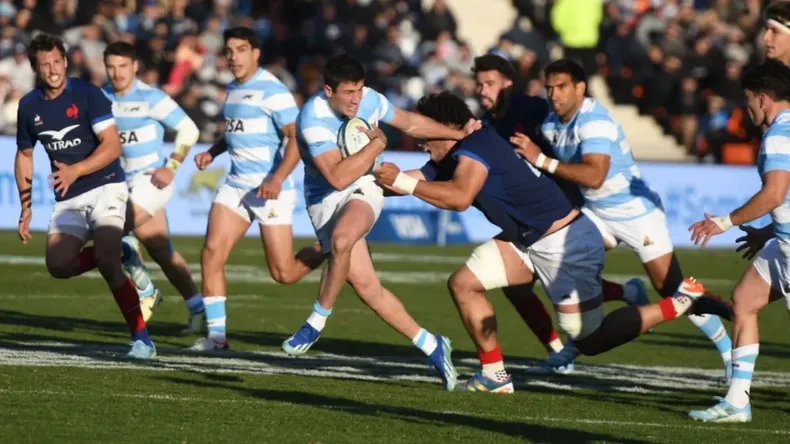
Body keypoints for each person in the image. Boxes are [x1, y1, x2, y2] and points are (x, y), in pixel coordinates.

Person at [374, 91, 729, 393]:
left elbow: (460, 197)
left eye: (424, 132)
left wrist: (400, 183)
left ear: (446, 128)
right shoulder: (456, 152)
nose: (419, 141)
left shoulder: (476, 145)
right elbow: (407, 182)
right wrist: (357, 178)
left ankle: (680, 302)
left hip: (565, 242)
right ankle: (494, 374)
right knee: (464, 284)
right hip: (528, 242)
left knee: (589, 340)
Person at [509, 59, 733, 380]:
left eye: (561, 88)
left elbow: (595, 175)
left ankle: (728, 351)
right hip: (596, 213)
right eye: (549, 88)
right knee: (560, 263)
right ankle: (587, 333)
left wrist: (540, 159)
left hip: (636, 213)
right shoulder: (549, 123)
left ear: (580, 89)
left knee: (673, 290)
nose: (553, 94)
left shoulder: (594, 122)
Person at [281, 54, 475, 391]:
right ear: (328, 90)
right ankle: (432, 344)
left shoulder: (370, 99)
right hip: (325, 196)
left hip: (366, 186)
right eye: (348, 94)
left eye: (359, 91)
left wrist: (457, 136)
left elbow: (412, 124)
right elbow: (338, 178)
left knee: (342, 240)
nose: (356, 100)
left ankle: (316, 320)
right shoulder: (312, 119)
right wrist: (379, 144)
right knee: (368, 288)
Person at [472, 53, 649, 373]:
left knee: (551, 292)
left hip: (565, 212)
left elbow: (577, 136)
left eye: (490, 83)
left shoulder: (533, 110)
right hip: (533, 217)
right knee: (519, 285)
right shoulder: (487, 124)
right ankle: (561, 344)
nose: (483, 90)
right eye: (479, 84)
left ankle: (667, 302)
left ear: (508, 83)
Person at [15, 33, 155, 358]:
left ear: (65, 60)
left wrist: (76, 170)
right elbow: (24, 155)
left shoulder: (88, 93)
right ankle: (123, 249)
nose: (52, 69)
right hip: (69, 195)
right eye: (44, 64)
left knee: (106, 261)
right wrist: (26, 207)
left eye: (56, 61)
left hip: (106, 184)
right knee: (59, 266)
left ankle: (141, 339)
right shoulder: (29, 106)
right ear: (36, 69)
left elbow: (112, 145)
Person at [189, 27, 326, 351]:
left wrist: (277, 178)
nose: (233, 56)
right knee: (211, 254)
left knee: (284, 273)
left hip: (270, 189)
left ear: (255, 53)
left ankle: (328, 247)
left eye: (240, 49)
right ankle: (217, 338)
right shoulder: (233, 89)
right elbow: (235, 131)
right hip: (237, 185)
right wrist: (214, 151)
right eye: (229, 50)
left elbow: (296, 137)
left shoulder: (273, 91)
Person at [688, 59, 790, 423]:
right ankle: (736, 401)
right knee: (744, 300)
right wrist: (769, 231)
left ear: (763, 98)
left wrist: (724, 221)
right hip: (783, 245)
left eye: (748, 98)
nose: (747, 107)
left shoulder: (778, 133)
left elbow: (775, 194)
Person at [102, 41, 203, 326]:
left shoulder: (151, 97)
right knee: (160, 249)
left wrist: (171, 166)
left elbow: (188, 129)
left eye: (123, 66)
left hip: (151, 181)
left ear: (135, 66)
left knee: (111, 230)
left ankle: (146, 290)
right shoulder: (100, 97)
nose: (117, 72)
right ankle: (198, 308)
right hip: (120, 184)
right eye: (111, 66)